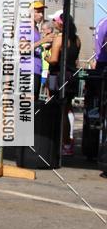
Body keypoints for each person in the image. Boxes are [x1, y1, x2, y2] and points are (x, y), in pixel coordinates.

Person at [47, 11, 81, 156]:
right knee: (66, 110)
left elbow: (54, 59)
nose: (53, 24)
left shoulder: (60, 39)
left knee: (58, 112)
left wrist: (47, 55)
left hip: (59, 76)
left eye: (55, 21)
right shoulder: (77, 39)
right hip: (72, 77)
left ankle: (61, 142)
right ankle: (67, 143)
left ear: (61, 23)